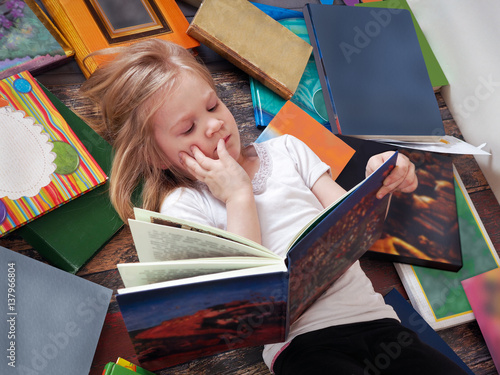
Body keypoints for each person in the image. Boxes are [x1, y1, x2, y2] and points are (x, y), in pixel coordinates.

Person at [80, 39, 468, 375]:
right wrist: (237, 195)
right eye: (188, 128)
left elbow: (356, 227)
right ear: (157, 158)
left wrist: (379, 181)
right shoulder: (184, 205)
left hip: (377, 322)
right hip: (303, 346)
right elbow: (243, 303)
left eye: (213, 106)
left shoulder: (287, 150)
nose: (213, 125)